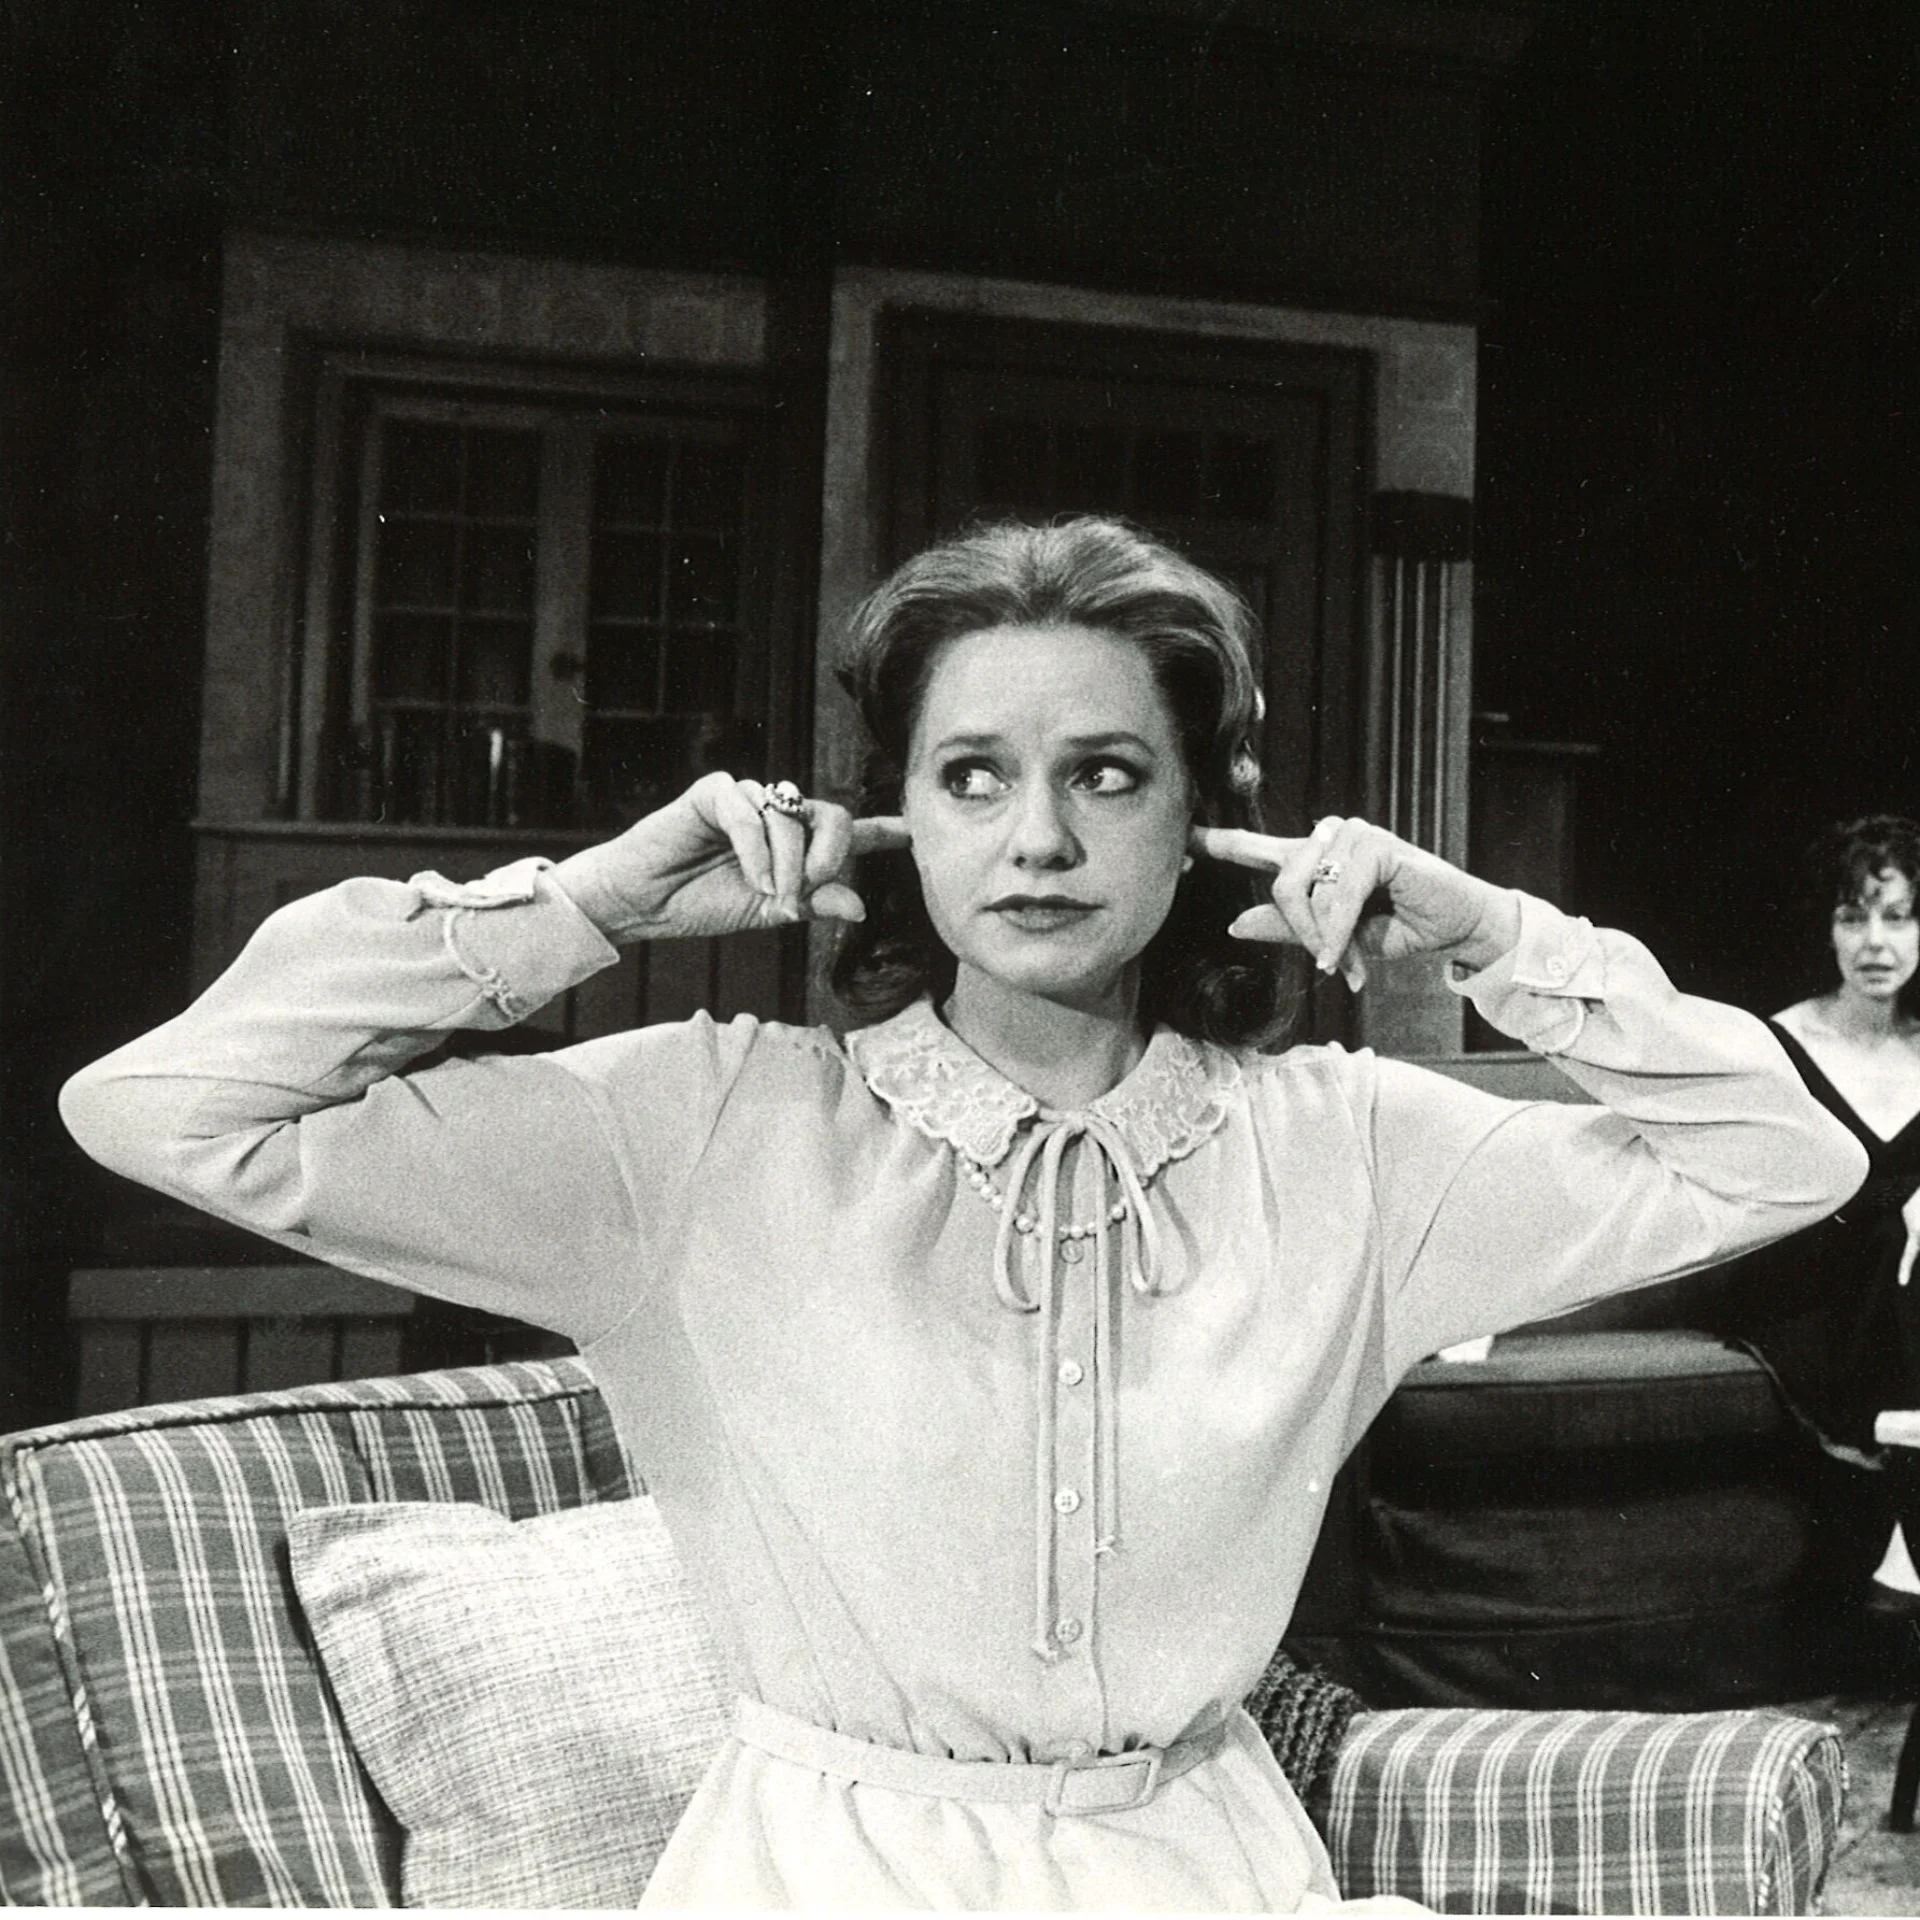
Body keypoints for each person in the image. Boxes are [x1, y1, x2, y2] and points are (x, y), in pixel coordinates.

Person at [60, 517, 1865, 1912]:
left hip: (1211, 1869)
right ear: (893, 822)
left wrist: (1485, 938)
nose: (1041, 844)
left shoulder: (1347, 1149)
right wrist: (590, 904)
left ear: (1201, 826)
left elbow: (1793, 1159)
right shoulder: (699, 1127)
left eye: (1107, 774)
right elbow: (156, 1108)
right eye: (973, 776)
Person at [1705, 815, 1920, 1608]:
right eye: (1852, 915)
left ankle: (1907, 1546)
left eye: (1899, 916)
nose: (1876, 942)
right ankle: (1906, 1541)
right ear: (1824, 929)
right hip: (1807, 1294)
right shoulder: (1781, 1043)